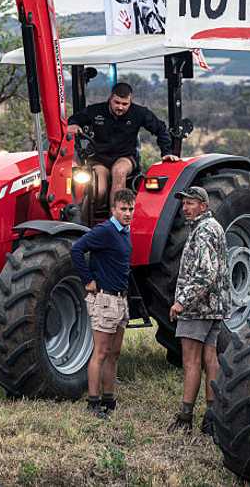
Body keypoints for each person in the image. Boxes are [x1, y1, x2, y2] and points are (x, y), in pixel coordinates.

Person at [166, 186, 229, 435]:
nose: (185, 208)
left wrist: (182, 300)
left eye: (191, 203)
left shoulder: (202, 232)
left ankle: (185, 417)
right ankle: (212, 417)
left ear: (204, 206)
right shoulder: (214, 227)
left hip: (198, 308)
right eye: (184, 204)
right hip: (214, 307)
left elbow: (206, 274)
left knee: (191, 361)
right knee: (210, 360)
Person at [71, 188, 135, 418]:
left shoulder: (125, 232)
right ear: (113, 209)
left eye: (131, 209)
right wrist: (88, 279)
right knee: (100, 352)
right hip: (105, 299)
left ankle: (109, 400)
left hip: (121, 300)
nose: (128, 213)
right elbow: (77, 249)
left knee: (114, 352)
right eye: (123, 209)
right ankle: (93, 403)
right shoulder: (105, 230)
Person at [67, 81, 179, 211]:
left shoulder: (139, 113)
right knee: (99, 190)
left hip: (125, 157)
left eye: (125, 104)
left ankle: (116, 222)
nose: (120, 107)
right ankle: (84, 223)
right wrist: (74, 125)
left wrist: (166, 153)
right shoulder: (95, 110)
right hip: (100, 159)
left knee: (118, 171)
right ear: (111, 99)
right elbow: (72, 120)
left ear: (130, 101)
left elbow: (160, 129)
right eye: (117, 103)